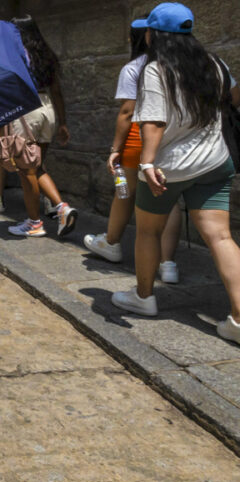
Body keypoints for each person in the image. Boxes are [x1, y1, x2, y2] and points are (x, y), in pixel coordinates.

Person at [110, 3, 240, 347]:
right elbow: (234, 97)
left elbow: (153, 121)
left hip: (169, 168)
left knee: (148, 232)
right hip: (214, 162)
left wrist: (148, 164)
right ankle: (239, 320)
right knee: (221, 238)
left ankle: (144, 297)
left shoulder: (156, 70)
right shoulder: (214, 64)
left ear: (153, 34)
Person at [83, 18, 184, 284]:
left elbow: (127, 112)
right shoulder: (179, 65)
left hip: (137, 142)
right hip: (169, 141)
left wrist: (114, 149)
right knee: (169, 200)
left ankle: (112, 242)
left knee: (123, 190)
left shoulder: (134, 68)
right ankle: (168, 263)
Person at [0, 15, 79, 239]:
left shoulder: (15, 56)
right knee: (37, 166)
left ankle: (35, 222)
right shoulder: (46, 55)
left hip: (26, 112)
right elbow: (57, 92)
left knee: (26, 170)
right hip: (47, 108)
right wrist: (62, 122)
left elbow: (7, 91)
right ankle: (61, 208)